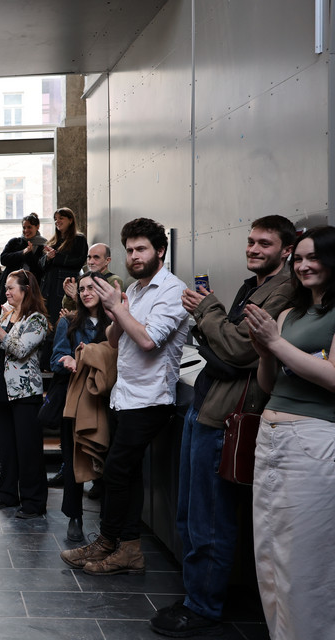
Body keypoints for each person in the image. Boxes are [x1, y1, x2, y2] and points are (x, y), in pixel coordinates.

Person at [148, 216, 296, 637]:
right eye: (251, 241)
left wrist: (207, 310)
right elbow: (224, 345)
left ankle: (203, 606)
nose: (253, 249)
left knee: (210, 519)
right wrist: (217, 330)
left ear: (286, 250)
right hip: (207, 403)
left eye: (265, 243)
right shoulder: (254, 287)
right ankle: (197, 595)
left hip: (227, 415)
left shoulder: (282, 290)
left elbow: (236, 348)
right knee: (190, 514)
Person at [60, 217, 189, 575]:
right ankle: (127, 548)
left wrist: (117, 309)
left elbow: (148, 340)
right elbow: (115, 340)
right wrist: (117, 312)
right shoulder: (134, 290)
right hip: (124, 396)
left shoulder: (172, 291)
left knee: (116, 472)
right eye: (130, 250)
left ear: (160, 251)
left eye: (141, 249)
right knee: (125, 474)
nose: (134, 256)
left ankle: (109, 542)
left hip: (151, 400)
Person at [245, 225, 335, 640]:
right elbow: (269, 384)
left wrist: (277, 345)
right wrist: (265, 352)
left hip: (313, 440)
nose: (303, 266)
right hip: (270, 436)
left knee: (304, 562)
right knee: (269, 558)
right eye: (298, 258)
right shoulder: (290, 314)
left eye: (313, 257)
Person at [0, 270, 50, 516]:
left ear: (26, 290)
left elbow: (20, 349)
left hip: (25, 393)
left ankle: (33, 502)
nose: (6, 292)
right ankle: (7, 495)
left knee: (28, 450)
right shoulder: (6, 314)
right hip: (3, 390)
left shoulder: (36, 320)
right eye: (5, 288)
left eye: (10, 288)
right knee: (7, 449)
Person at [51, 271, 113, 540]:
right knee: (72, 460)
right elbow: (55, 358)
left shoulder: (115, 321)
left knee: (107, 459)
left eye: (92, 288)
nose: (86, 293)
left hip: (107, 399)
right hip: (77, 400)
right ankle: (74, 517)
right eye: (82, 289)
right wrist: (68, 361)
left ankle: (108, 521)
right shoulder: (69, 322)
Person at [38, 208, 88, 359]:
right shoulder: (53, 241)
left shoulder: (79, 239)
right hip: (48, 288)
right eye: (55, 219)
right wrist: (48, 258)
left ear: (71, 220)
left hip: (63, 289)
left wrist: (55, 257)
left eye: (61, 218)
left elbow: (78, 261)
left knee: (60, 321)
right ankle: (45, 360)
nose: (57, 221)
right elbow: (41, 265)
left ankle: (57, 358)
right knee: (46, 322)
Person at [0, 213, 47, 308]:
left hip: (30, 289)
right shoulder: (14, 242)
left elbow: (40, 269)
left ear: (37, 227)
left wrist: (29, 254)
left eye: (29, 227)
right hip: (10, 287)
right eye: (24, 227)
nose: (26, 230)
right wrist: (22, 252)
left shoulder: (44, 246)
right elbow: (3, 259)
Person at [62, 243, 124, 312]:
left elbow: (107, 310)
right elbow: (67, 308)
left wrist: (76, 297)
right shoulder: (83, 280)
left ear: (107, 260)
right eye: (89, 257)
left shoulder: (114, 280)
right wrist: (69, 294)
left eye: (96, 257)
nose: (91, 262)